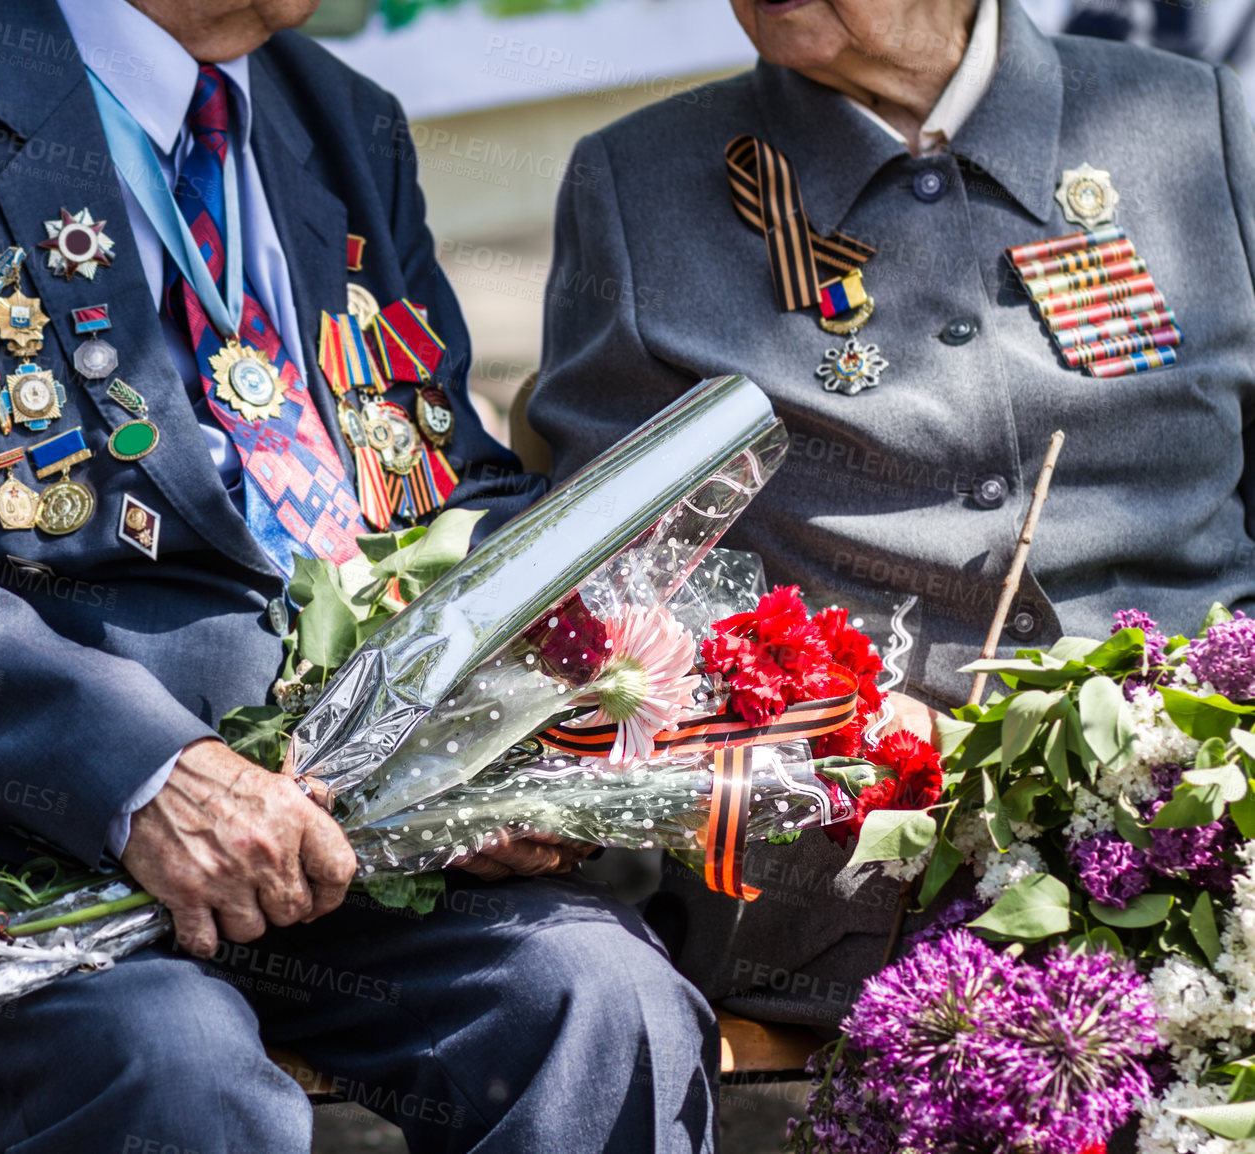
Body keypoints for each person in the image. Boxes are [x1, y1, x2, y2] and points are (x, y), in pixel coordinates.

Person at [0, 0, 720, 1148]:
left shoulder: (334, 113)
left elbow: (441, 480)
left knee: (597, 995)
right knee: (170, 1060)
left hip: (335, 835)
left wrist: (517, 728)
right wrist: (140, 770)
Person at [530, 0, 1255, 1026]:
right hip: (860, 864)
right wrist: (815, 724)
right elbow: (603, 583)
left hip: (1208, 805)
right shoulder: (640, 182)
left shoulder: (1191, 120)